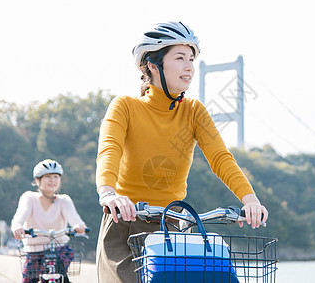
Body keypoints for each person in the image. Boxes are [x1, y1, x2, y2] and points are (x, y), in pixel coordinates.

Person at [95, 21, 268, 282]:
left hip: (173, 226)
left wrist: (249, 199)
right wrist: (108, 194)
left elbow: (220, 158)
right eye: (179, 58)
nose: (189, 66)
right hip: (125, 223)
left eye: (191, 58)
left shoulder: (194, 111)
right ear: (153, 65)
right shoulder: (125, 107)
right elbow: (110, 150)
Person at [11, 159, 86, 283]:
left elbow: (74, 218)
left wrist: (79, 226)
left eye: (56, 176)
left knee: (61, 274)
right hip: (34, 250)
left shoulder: (64, 200)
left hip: (59, 248)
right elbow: (20, 216)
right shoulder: (29, 198)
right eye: (48, 177)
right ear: (37, 180)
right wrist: (17, 227)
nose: (52, 180)